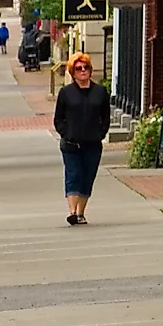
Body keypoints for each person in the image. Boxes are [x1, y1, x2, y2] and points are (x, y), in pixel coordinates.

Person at [53, 54, 112, 226]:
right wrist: (66, 133)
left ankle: (80, 213)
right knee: (74, 174)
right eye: (79, 68)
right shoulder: (66, 93)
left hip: (92, 144)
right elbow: (58, 119)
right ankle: (72, 212)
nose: (83, 71)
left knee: (87, 177)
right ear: (73, 72)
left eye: (86, 67)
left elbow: (105, 117)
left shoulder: (100, 92)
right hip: (71, 144)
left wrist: (100, 133)